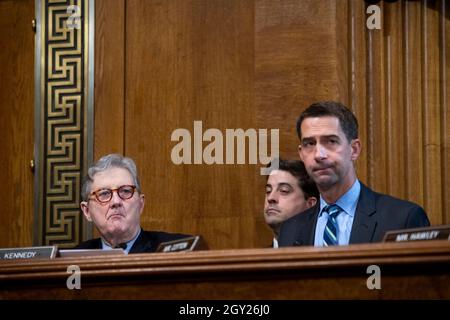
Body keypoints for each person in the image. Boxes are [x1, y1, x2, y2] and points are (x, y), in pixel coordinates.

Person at [278, 101, 430, 247]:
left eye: (331, 141)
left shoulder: (403, 219)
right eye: (309, 144)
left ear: (354, 149)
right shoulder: (290, 231)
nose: (319, 154)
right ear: (301, 154)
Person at [76, 153, 190, 253]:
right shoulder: (71, 261)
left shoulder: (183, 250)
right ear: (87, 211)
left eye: (125, 191)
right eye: (104, 194)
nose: (116, 201)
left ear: (141, 204)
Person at [264, 158, 319, 248]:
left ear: (310, 204)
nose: (270, 198)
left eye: (284, 190)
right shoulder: (255, 260)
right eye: (268, 191)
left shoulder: (323, 252)